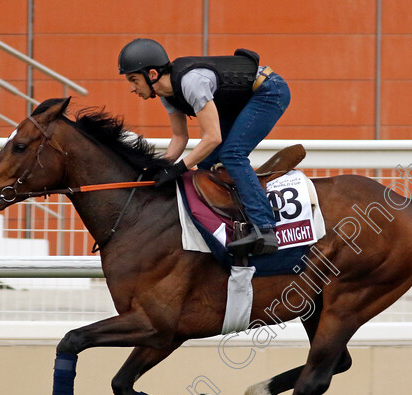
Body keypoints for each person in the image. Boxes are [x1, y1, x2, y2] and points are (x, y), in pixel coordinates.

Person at [118, 38, 291, 256]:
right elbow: (179, 138)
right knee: (208, 163)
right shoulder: (166, 95)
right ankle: (231, 223)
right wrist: (159, 167)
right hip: (243, 100)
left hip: (269, 91)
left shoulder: (191, 83)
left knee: (232, 154)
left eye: (133, 80)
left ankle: (265, 229)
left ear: (152, 74)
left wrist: (178, 169)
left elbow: (213, 138)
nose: (132, 88)